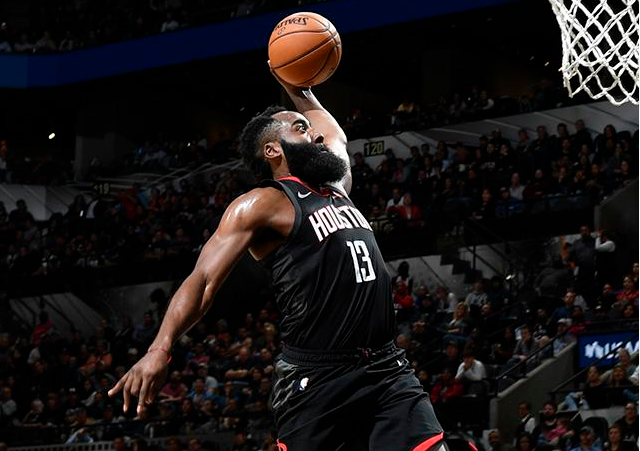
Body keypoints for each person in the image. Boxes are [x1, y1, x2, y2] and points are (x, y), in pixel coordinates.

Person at [109, 71, 445, 451]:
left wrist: (297, 87)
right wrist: (160, 348)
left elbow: (334, 132)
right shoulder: (263, 204)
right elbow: (202, 280)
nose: (315, 135)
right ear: (272, 150)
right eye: (301, 129)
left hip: (386, 368)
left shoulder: (336, 187)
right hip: (318, 380)